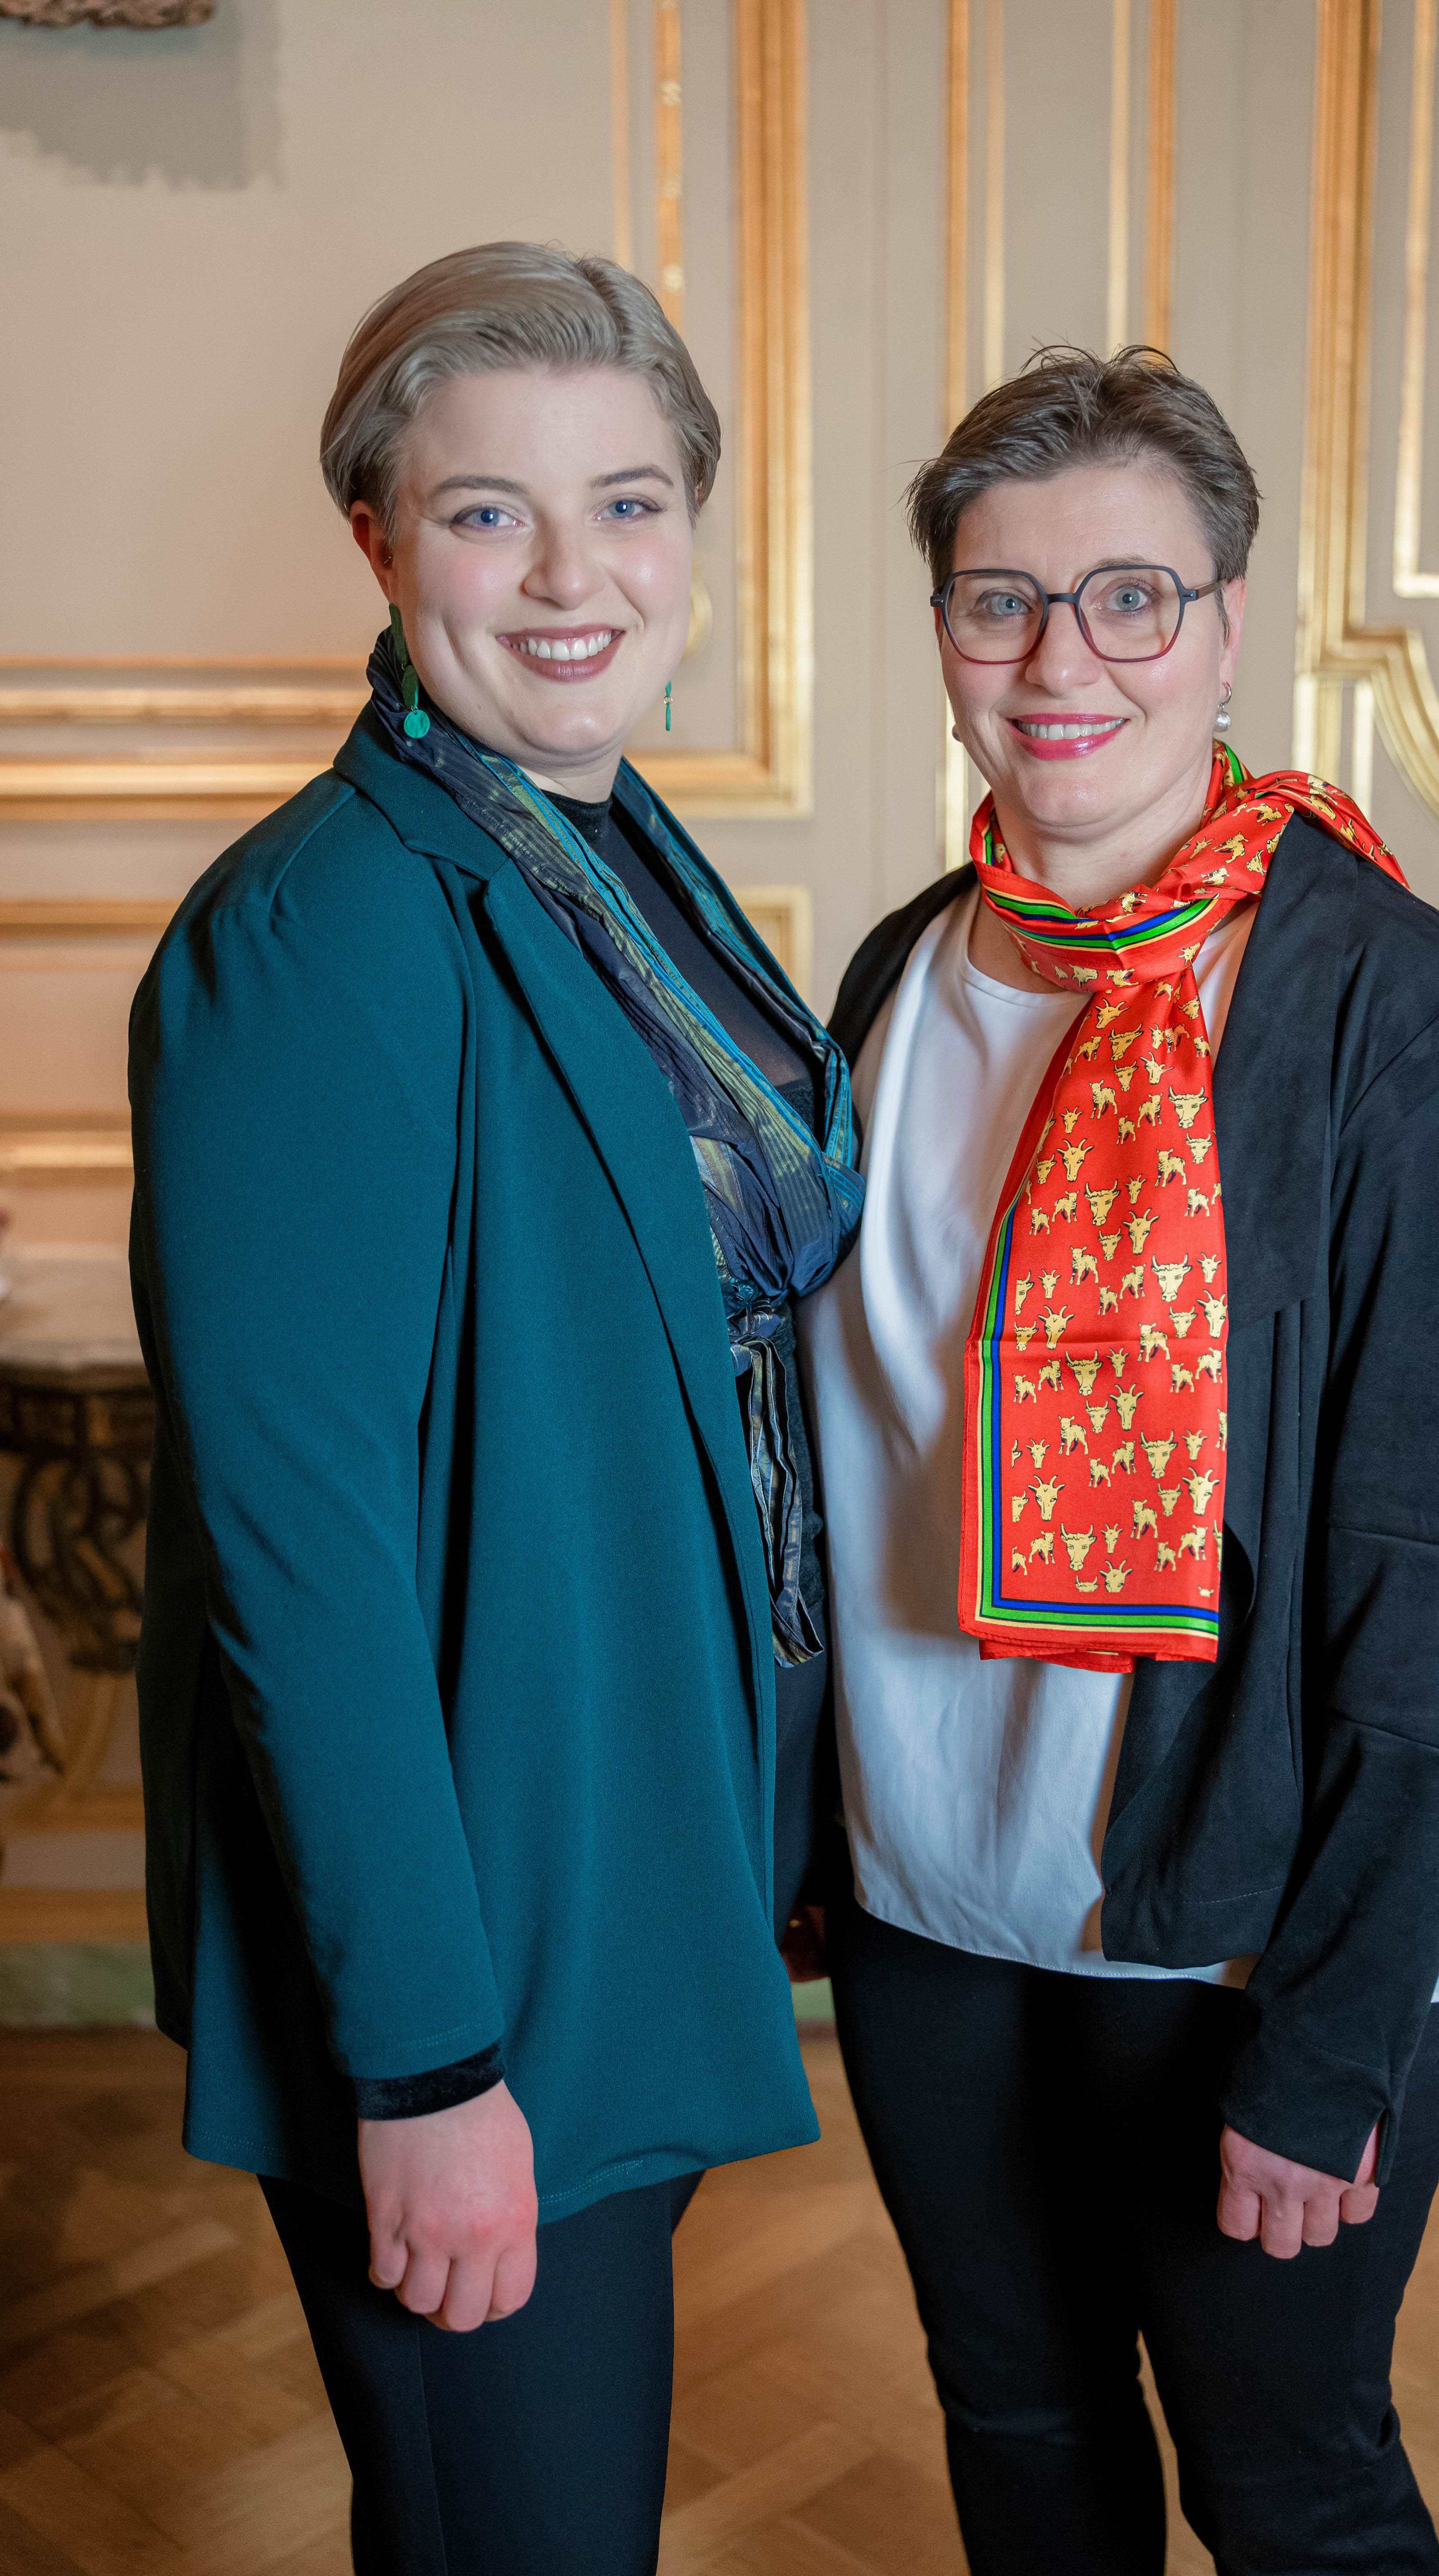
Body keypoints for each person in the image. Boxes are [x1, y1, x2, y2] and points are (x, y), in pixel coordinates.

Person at [797, 346, 1439, 2576]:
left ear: (1229, 624)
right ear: (944, 633)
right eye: (1002, 600)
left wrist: (1332, 2038)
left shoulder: (1401, 1019)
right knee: (1021, 2427)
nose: (1063, 663)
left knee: (1288, 2483)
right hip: (936, 1898)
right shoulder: (899, 978)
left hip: (1255, 1922)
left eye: (1130, 596)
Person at [129, 243, 860, 2576]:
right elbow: (304, 1555)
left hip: (631, 1848)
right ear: (378, 538)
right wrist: (431, 2065)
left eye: (627, 505)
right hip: (478, 1935)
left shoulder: (601, 859)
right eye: (488, 513)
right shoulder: (319, 933)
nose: (573, 577)